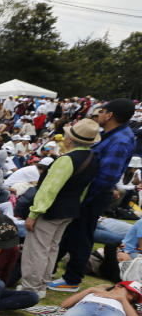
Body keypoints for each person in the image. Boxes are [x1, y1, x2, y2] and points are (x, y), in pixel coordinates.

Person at [52, 99, 138, 292]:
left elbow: (107, 176)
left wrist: (84, 197)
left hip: (95, 194)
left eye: (102, 111)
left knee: (82, 236)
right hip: (91, 192)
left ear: (110, 115)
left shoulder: (121, 140)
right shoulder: (112, 135)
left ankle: (72, 279)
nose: (98, 114)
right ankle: (52, 270)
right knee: (72, 232)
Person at [18, 119, 100, 297]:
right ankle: (42, 283)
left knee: (37, 249)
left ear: (70, 139)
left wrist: (34, 213)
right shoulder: (92, 158)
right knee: (51, 247)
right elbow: (84, 190)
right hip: (70, 209)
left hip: (51, 210)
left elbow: (49, 189)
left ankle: (32, 288)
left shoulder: (67, 159)